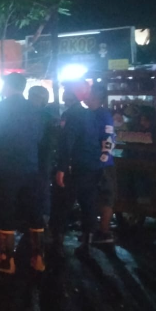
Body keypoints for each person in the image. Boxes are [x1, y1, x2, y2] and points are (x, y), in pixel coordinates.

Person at [0, 73, 46, 274]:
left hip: (7, 167)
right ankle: (38, 258)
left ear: (8, 86)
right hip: (31, 167)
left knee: (6, 209)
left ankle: (6, 260)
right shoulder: (34, 109)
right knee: (34, 211)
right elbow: (39, 136)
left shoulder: (3, 107)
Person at [52, 80, 99, 258]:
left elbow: (66, 143)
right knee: (88, 205)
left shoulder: (71, 114)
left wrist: (61, 168)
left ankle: (58, 243)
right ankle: (87, 244)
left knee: (62, 204)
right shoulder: (89, 114)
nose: (64, 94)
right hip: (91, 167)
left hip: (74, 168)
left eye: (66, 90)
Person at [88, 83, 117, 245]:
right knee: (93, 197)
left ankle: (104, 231)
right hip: (91, 163)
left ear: (96, 95)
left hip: (102, 164)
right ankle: (94, 231)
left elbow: (108, 139)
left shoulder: (103, 114)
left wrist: (103, 158)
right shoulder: (91, 113)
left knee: (106, 196)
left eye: (89, 92)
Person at [28, 85, 58, 225]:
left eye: (34, 96)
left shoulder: (47, 116)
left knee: (42, 187)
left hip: (42, 157)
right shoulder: (46, 115)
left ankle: (42, 220)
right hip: (34, 157)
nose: (31, 99)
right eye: (31, 95)